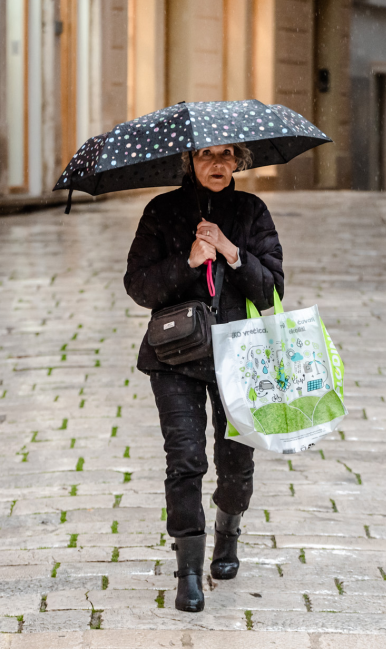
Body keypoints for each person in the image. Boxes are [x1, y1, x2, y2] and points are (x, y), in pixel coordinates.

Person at [123, 143, 284, 612]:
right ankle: (188, 570)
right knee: (186, 459)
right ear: (189, 162)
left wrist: (232, 252)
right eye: (206, 156)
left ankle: (228, 534)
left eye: (227, 156)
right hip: (175, 355)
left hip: (239, 356)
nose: (217, 165)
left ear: (239, 162)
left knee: (235, 462)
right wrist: (189, 260)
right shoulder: (162, 211)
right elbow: (138, 285)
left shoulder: (252, 211)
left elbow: (272, 288)